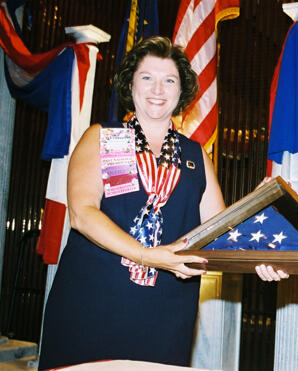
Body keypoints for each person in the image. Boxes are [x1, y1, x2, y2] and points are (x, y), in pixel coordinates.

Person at [39, 36, 225, 369]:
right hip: (92, 306)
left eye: (169, 80)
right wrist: (146, 255)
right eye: (147, 77)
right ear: (131, 84)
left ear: (181, 91)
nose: (158, 89)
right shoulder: (106, 137)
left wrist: (261, 218)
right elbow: (82, 214)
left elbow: (221, 233)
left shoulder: (197, 156)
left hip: (167, 315)